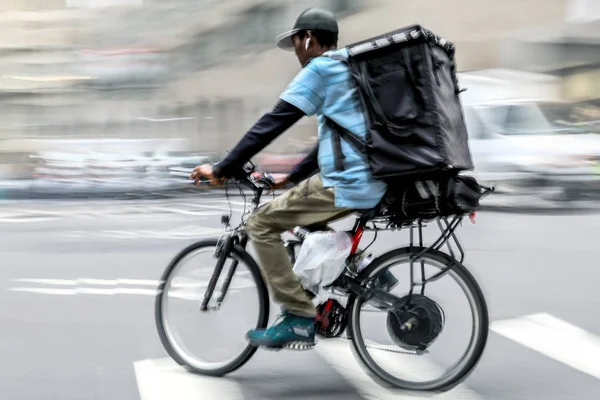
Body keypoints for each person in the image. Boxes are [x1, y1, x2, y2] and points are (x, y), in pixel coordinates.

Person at [190, 7, 388, 350]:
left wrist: (222, 168)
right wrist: (291, 177)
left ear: (309, 38)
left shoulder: (321, 69)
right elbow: (338, 138)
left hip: (346, 182)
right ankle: (362, 270)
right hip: (375, 178)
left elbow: (274, 121)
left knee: (262, 224)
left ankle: (298, 316)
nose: (296, 52)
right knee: (302, 220)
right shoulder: (351, 69)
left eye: (296, 42)